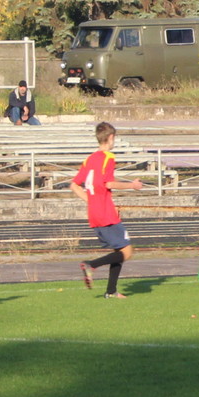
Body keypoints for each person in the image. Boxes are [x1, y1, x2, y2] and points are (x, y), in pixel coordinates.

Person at [71, 121, 143, 298]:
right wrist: (132, 185)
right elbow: (108, 183)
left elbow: (74, 185)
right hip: (105, 213)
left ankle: (111, 291)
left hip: (95, 212)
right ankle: (91, 265)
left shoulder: (89, 159)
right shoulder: (108, 157)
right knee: (127, 251)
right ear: (111, 138)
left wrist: (92, 200)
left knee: (119, 252)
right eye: (114, 138)